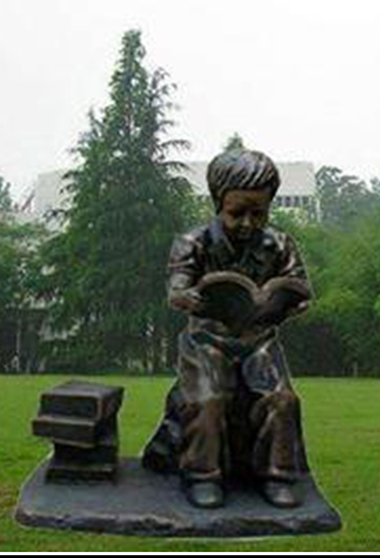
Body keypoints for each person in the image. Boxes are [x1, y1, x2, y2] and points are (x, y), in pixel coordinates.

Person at [142, 148, 313, 509]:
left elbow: (299, 287)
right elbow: (177, 289)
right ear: (219, 203)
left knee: (282, 399)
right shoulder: (193, 242)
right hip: (207, 341)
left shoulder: (281, 244)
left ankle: (278, 475)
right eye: (237, 213)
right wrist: (190, 297)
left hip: (259, 341)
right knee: (207, 399)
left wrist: (290, 303)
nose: (248, 223)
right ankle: (202, 475)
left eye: (259, 213)